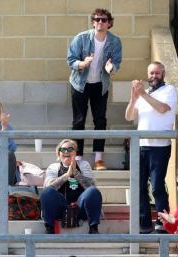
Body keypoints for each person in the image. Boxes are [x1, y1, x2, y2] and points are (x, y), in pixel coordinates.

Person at [66, 8, 122, 170]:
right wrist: (82, 64)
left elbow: (116, 62)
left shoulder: (115, 41)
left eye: (104, 20)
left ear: (109, 23)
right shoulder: (82, 38)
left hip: (100, 85)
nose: (100, 22)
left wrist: (111, 67)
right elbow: (71, 59)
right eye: (97, 20)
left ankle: (98, 158)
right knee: (78, 121)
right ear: (93, 22)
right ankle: (77, 158)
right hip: (80, 85)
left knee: (100, 120)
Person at [125, 61, 177, 234]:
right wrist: (134, 98)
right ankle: (144, 223)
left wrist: (143, 95)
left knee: (156, 186)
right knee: (139, 185)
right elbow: (129, 116)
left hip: (159, 146)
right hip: (141, 145)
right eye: (151, 73)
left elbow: (162, 109)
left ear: (163, 74)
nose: (153, 76)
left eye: (157, 73)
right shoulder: (144, 93)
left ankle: (163, 222)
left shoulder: (169, 90)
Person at [40, 140, 104, 234]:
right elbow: (48, 186)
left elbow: (91, 186)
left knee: (93, 192)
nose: (67, 151)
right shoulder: (53, 167)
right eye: (63, 149)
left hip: (80, 207)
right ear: (59, 153)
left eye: (70, 149)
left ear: (75, 152)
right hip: (60, 208)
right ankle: (49, 228)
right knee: (47, 193)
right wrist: (67, 175)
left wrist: (76, 173)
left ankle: (93, 228)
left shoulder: (83, 164)